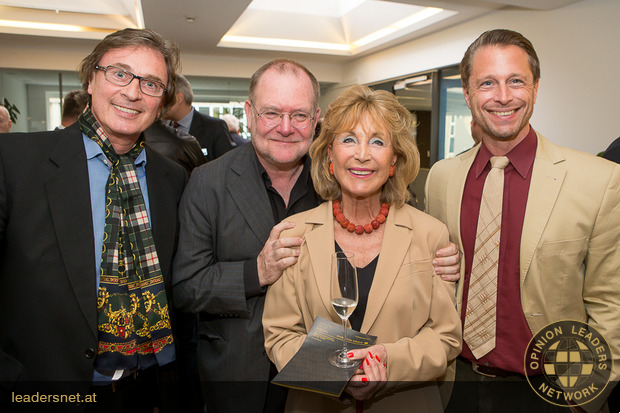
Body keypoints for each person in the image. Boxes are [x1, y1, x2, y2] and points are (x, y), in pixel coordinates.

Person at [172, 58, 461, 413]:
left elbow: (443, 333)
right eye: (271, 113)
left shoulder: (421, 227)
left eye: (299, 115)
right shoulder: (212, 184)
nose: (285, 127)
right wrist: (259, 271)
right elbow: (188, 287)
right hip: (252, 380)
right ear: (249, 113)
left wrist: (380, 363)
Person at [425, 29, 620, 413]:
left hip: (551, 393)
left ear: (535, 88)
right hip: (452, 386)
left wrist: (586, 397)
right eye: (487, 83)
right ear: (467, 94)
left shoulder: (598, 181)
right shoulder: (441, 178)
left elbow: (611, 302)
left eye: (516, 81)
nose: (502, 96)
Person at [0, 28, 188, 412]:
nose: (133, 92)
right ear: (91, 79)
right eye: (119, 73)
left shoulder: (172, 179)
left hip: (144, 390)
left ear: (163, 101)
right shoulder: (14, 161)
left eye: (151, 84)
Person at [262, 84, 462, 413]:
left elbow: (445, 337)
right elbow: (280, 333)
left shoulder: (430, 234)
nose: (363, 154)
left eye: (378, 141)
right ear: (329, 155)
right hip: (317, 403)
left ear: (394, 159)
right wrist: (336, 373)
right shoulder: (294, 233)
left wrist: (386, 362)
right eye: (349, 139)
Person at [162, 73, 235, 161]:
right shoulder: (161, 129)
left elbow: (229, 164)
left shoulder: (214, 127)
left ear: (179, 98)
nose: (160, 102)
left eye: (164, 96)